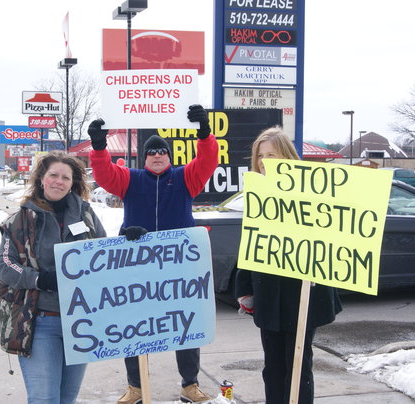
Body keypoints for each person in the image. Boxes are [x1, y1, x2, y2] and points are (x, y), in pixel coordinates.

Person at [87, 105, 219, 404]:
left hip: (179, 270)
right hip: (137, 270)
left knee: (186, 326)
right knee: (134, 327)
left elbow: (208, 160)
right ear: (143, 158)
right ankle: (136, 386)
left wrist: (204, 132)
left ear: (169, 156)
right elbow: (105, 174)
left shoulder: (187, 177)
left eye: (162, 151)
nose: (157, 155)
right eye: (151, 152)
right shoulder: (131, 179)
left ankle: (190, 384)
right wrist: (98, 147)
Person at [234, 127, 342, 404]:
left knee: (297, 365)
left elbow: (330, 238)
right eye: (261, 156)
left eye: (272, 154)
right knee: (273, 367)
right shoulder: (256, 194)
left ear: (287, 156)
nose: (265, 161)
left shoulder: (312, 192)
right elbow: (250, 243)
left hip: (302, 291)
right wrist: (244, 287)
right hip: (269, 292)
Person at [0, 151, 107, 404]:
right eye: (53, 175)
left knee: (67, 399)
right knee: (44, 398)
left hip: (81, 323)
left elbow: (105, 255)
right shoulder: (19, 220)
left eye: (65, 177)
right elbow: (5, 265)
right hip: (40, 322)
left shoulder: (86, 215)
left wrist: (132, 240)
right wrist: (39, 279)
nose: (59, 181)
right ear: (41, 179)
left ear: (73, 183)